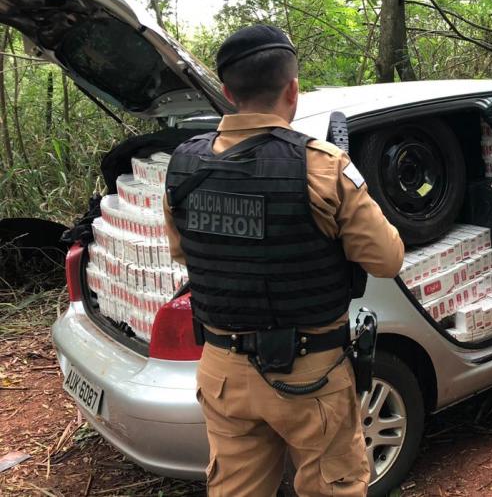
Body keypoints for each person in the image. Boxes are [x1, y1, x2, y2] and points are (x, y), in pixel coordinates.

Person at [163, 25, 404, 497]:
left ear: (228, 93)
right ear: (293, 89)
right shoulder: (323, 166)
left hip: (223, 374)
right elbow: (388, 259)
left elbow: (182, 252)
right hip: (309, 376)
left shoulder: (182, 165)